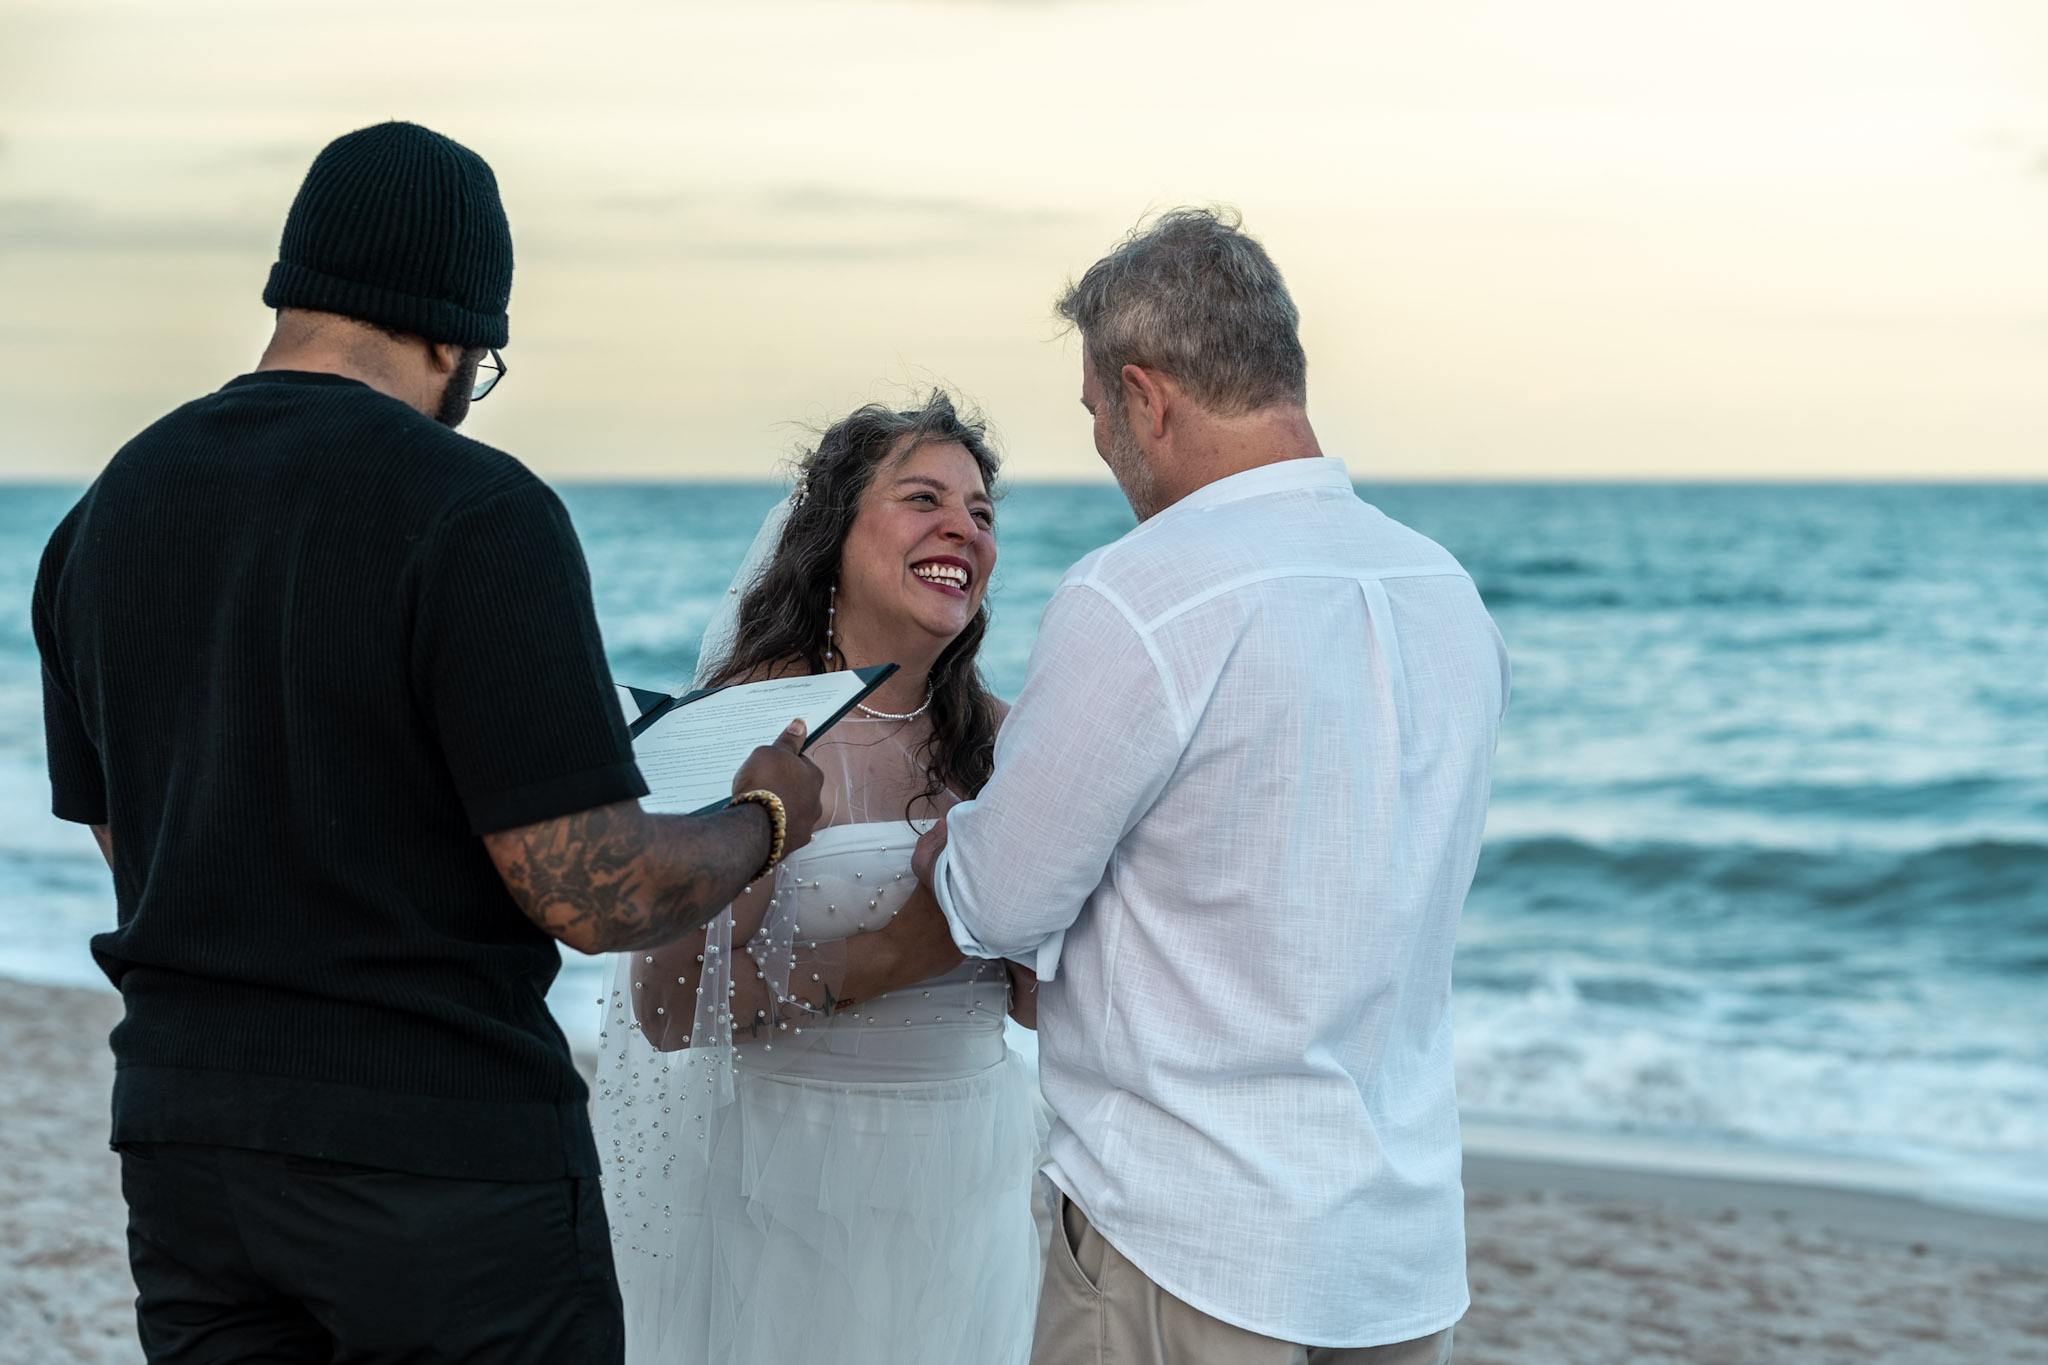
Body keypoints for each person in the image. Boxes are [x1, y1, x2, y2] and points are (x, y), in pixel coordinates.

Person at [31, 120, 822, 1365]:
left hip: (187, 1142)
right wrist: (762, 816)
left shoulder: (102, 516)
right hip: (437, 1156)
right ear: (454, 333)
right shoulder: (477, 511)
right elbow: (589, 889)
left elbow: (147, 844)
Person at [915, 209, 1510, 1364]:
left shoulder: (1142, 597)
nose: (1104, 447)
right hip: (1396, 1253)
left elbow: (998, 903)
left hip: (1185, 1243)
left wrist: (952, 835)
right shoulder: (1446, 595)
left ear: (1145, 396)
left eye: (1094, 416)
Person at [599, 394, 1045, 1365]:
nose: (960, 529)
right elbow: (671, 1007)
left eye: (980, 513)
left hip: (972, 1169)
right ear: (833, 531)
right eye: (922, 497)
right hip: (789, 1181)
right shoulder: (753, 728)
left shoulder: (1012, 743)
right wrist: (901, 951)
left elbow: (1040, 1009)